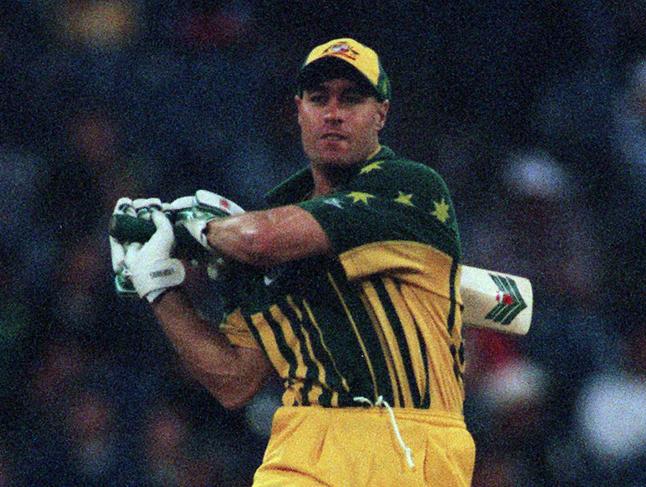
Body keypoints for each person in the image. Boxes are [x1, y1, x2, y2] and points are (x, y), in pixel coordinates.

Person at [112, 38, 475, 486]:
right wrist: (158, 286)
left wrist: (192, 228)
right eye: (319, 98)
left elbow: (259, 239)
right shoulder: (274, 213)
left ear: (381, 113)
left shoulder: (409, 187)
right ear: (299, 109)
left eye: (352, 99)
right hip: (301, 438)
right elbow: (235, 381)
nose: (333, 113)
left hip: (405, 439)